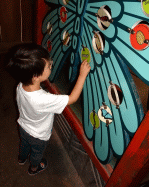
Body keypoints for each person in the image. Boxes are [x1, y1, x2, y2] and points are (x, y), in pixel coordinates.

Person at [6, 43, 91, 176]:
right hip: (39, 135)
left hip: (23, 126)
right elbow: (72, 99)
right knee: (37, 153)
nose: (52, 65)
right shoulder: (44, 99)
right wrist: (82, 75)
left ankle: (21, 158)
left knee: (24, 144)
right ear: (35, 76)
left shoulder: (20, 86)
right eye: (49, 66)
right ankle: (34, 168)